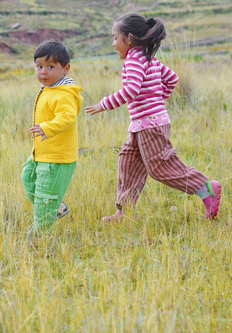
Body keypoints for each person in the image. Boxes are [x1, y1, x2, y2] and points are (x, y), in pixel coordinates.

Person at [85, 13, 221, 222]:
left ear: (129, 38)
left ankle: (205, 188)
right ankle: (126, 212)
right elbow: (172, 78)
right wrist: (158, 101)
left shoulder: (134, 59)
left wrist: (103, 104)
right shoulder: (147, 57)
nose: (113, 44)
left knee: (160, 168)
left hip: (150, 125)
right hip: (143, 125)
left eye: (115, 38)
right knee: (128, 161)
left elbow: (130, 89)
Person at [21, 40, 83, 237]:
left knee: (45, 197)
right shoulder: (49, 89)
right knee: (28, 177)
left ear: (65, 69)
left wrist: (47, 128)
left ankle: (38, 236)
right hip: (42, 153)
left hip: (57, 157)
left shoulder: (64, 93)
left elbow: (67, 117)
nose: (43, 72)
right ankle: (58, 207)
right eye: (39, 66)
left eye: (50, 67)